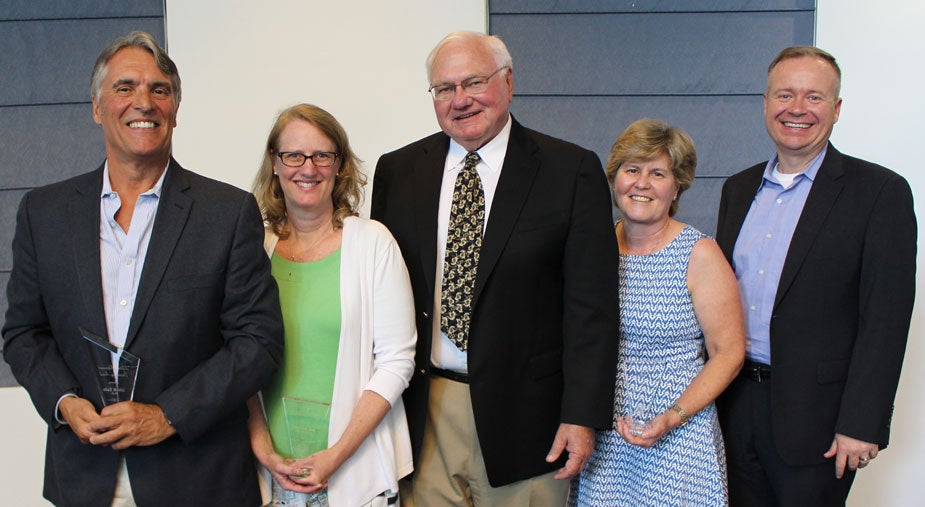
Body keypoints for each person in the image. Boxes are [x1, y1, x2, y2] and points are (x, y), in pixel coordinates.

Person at [1, 31, 283, 506]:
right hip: (83, 478)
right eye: (125, 87)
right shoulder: (43, 213)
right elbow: (24, 333)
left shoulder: (227, 213)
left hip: (198, 480)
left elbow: (258, 342)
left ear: (175, 109)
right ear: (96, 107)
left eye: (160, 89)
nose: (144, 102)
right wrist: (65, 403)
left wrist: (167, 415)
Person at [370, 30, 619, 505]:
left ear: (508, 81)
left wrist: (581, 416)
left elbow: (592, 311)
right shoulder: (399, 171)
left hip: (531, 422)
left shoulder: (570, 170)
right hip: (425, 414)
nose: (460, 100)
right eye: (445, 88)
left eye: (474, 82)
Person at [715, 46, 917, 506]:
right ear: (765, 103)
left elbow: (885, 321)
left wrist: (862, 423)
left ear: (837, 108)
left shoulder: (880, 193)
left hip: (819, 422)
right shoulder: (738, 188)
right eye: (785, 94)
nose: (797, 109)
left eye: (814, 97)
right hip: (733, 407)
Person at [247, 103, 416, 507]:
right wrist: (262, 448)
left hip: (353, 475)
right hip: (271, 477)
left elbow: (398, 361)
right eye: (294, 155)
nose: (309, 168)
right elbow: (238, 357)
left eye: (323, 155)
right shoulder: (255, 247)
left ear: (339, 165)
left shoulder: (373, 243)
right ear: (274, 163)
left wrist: (335, 457)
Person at [569, 119, 745, 506]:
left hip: (679, 435)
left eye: (658, 173)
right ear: (615, 179)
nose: (642, 183)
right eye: (632, 170)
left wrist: (671, 417)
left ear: (677, 184)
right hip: (604, 433)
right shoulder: (594, 248)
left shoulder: (699, 254)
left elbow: (729, 354)